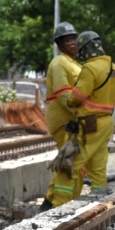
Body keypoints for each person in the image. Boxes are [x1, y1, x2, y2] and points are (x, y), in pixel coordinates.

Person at [50, 30, 115, 207]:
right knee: (98, 170)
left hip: (88, 126)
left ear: (86, 50)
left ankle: (58, 208)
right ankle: (100, 204)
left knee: (67, 167)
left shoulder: (90, 69)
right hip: (106, 124)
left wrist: (69, 100)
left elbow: (77, 97)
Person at [43, 22, 83, 202]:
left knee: (74, 161)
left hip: (73, 119)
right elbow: (63, 94)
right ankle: (60, 206)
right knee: (70, 162)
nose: (73, 42)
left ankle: (49, 202)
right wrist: (83, 111)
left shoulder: (74, 64)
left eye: (74, 38)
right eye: (68, 40)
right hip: (65, 120)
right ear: (59, 44)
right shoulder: (60, 63)